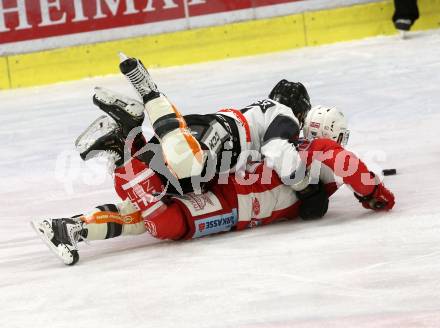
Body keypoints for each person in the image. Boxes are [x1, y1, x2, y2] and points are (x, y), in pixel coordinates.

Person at [33, 102, 395, 265]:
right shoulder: (316, 150)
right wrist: (376, 195)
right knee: (165, 222)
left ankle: (72, 229)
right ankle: (121, 154)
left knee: (149, 213)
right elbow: (340, 159)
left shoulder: (295, 146)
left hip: (229, 194)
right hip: (233, 201)